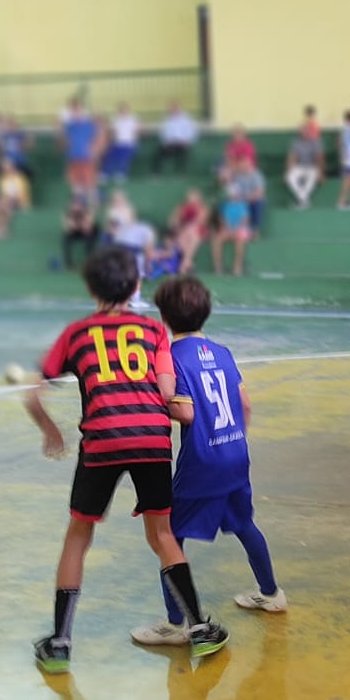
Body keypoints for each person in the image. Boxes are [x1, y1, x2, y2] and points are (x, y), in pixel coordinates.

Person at [25, 247, 230, 671]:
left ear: (90, 286)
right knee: (162, 535)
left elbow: (33, 393)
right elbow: (167, 386)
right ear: (136, 286)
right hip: (152, 439)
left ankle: (60, 642)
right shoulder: (154, 331)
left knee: (79, 535)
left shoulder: (76, 334)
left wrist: (51, 431)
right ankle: (199, 629)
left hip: (101, 442)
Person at [154, 275, 286, 613]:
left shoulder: (172, 355)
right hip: (235, 454)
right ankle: (271, 594)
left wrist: (155, 401)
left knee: (169, 536)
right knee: (244, 524)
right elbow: (245, 405)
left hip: (202, 460)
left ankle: (176, 622)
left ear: (165, 318)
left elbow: (184, 412)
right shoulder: (222, 352)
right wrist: (233, 441)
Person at [59, 97, 99, 199]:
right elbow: (64, 141)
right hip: (73, 156)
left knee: (88, 179)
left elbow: (95, 140)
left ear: (81, 111)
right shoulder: (68, 126)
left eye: (77, 110)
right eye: (73, 111)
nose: (75, 113)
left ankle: (92, 197)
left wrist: (93, 151)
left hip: (86, 156)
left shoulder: (89, 124)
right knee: (74, 180)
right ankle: (79, 197)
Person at [0, 159, 32, 240]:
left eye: (9, 168)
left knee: (4, 204)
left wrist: (8, 199)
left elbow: (21, 195)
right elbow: (1, 194)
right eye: (5, 168)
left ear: (13, 168)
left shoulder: (20, 179)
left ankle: (3, 230)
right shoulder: (1, 180)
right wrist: (3, 199)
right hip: (6, 202)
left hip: (19, 202)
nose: (7, 170)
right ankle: (0, 229)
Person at [212, 186, 250, 276]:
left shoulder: (242, 205)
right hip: (227, 230)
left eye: (235, 194)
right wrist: (227, 228)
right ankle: (218, 267)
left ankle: (237, 267)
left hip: (239, 229)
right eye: (231, 194)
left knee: (240, 242)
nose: (233, 195)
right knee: (216, 241)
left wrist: (237, 229)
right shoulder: (225, 205)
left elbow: (245, 219)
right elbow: (222, 219)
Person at [169, 188, 208, 275]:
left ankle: (184, 263)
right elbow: (173, 220)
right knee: (183, 238)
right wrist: (177, 225)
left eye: (194, 197)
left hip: (198, 230)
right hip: (184, 231)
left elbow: (201, 221)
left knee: (192, 233)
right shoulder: (182, 207)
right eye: (190, 196)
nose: (191, 199)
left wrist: (188, 227)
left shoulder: (202, 208)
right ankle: (187, 262)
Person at [154, 101, 198, 174]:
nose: (172, 111)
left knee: (182, 153)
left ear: (179, 109)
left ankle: (180, 173)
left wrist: (186, 142)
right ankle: (156, 173)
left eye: (174, 109)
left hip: (182, 144)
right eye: (170, 109)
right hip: (170, 144)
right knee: (158, 154)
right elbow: (162, 134)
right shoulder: (166, 120)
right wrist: (166, 142)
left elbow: (193, 133)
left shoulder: (186, 119)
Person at [285, 125, 324, 208]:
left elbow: (319, 158)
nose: (305, 133)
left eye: (307, 131)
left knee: (312, 178)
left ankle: (301, 201)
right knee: (289, 177)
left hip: (312, 167)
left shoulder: (315, 142)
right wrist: (288, 170)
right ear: (300, 133)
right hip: (300, 166)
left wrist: (321, 172)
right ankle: (304, 200)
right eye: (303, 132)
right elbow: (292, 157)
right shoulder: (296, 142)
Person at [102, 102, 139, 184]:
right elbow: (111, 132)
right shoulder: (115, 120)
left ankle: (121, 174)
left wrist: (134, 144)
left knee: (124, 157)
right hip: (116, 143)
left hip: (128, 144)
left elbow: (137, 132)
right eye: (120, 110)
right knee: (108, 156)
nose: (122, 112)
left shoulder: (133, 119)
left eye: (124, 110)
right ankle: (105, 174)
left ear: (127, 110)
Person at [228, 157, 265, 236]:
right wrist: (238, 198)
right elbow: (233, 190)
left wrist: (248, 198)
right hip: (240, 199)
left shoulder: (256, 175)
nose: (243, 166)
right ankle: (236, 230)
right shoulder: (236, 176)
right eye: (241, 164)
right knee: (232, 204)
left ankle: (255, 230)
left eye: (245, 164)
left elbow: (259, 192)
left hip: (253, 198)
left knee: (258, 202)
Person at [61, 197, 98, 269]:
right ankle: (69, 264)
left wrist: (77, 224)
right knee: (66, 240)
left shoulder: (87, 211)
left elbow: (87, 228)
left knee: (89, 241)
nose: (76, 206)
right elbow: (67, 228)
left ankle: (90, 263)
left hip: (90, 232)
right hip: (76, 232)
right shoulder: (68, 212)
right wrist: (75, 224)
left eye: (78, 204)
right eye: (74, 204)